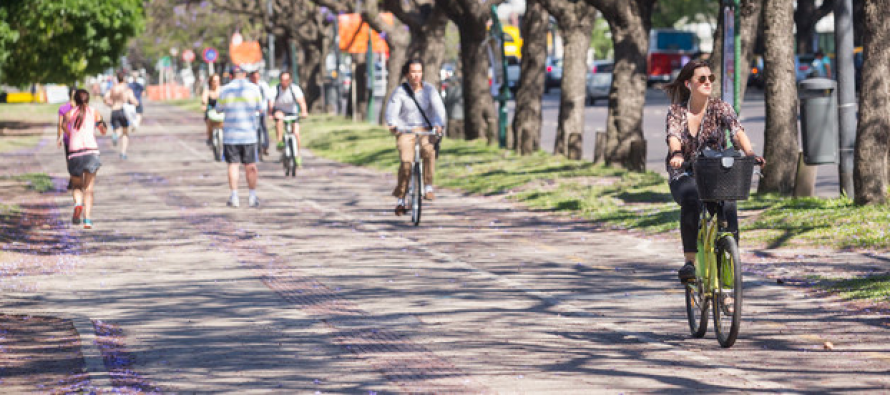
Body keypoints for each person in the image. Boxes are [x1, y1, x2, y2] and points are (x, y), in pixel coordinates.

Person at [662, 60, 765, 283]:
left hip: (715, 170)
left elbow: (736, 130)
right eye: (702, 79)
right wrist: (677, 154)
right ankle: (690, 262)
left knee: (728, 206)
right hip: (685, 172)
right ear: (689, 84)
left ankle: (729, 274)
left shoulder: (721, 108)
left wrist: (749, 153)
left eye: (711, 78)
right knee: (691, 198)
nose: (708, 82)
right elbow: (673, 136)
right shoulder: (677, 112)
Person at [384, 58, 446, 216]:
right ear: (407, 74)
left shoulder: (430, 90)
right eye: (413, 72)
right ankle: (401, 198)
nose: (416, 75)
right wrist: (393, 124)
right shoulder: (400, 92)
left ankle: (428, 186)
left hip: (426, 130)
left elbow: (439, 110)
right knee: (406, 163)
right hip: (406, 131)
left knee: (429, 152)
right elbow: (392, 111)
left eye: (419, 71)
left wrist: (438, 124)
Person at [216, 65, 264, 208]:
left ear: (230, 76)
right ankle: (252, 196)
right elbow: (260, 108)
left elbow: (218, 109)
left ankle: (234, 196)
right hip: (249, 134)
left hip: (231, 135)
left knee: (233, 165)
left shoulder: (225, 90)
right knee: (251, 165)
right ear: (245, 75)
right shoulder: (254, 89)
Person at [62, 89, 107, 229]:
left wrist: (71, 135)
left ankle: (78, 203)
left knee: (76, 186)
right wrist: (100, 126)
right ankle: (87, 219)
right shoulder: (94, 112)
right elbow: (103, 130)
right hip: (91, 152)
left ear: (75, 100)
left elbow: (64, 127)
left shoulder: (69, 113)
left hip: (75, 153)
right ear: (88, 99)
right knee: (89, 189)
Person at [271, 71, 309, 167]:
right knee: (279, 119)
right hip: (280, 111)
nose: (285, 82)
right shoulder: (275, 89)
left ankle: (297, 155)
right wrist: (271, 114)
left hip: (292, 112)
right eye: (283, 80)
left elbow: (301, 102)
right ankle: (279, 141)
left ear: (290, 80)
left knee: (296, 133)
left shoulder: (294, 89)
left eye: (287, 80)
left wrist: (304, 112)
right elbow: (271, 104)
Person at [103, 71, 139, 159]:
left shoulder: (113, 88)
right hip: (124, 111)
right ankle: (123, 153)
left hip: (114, 110)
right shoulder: (126, 89)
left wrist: (109, 104)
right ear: (124, 79)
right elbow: (132, 99)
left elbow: (105, 98)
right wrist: (136, 103)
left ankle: (116, 135)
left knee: (116, 130)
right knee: (125, 133)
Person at [248, 70, 273, 157]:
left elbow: (269, 98)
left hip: (262, 110)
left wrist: (270, 112)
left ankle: (265, 146)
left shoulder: (263, 85)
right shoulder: (248, 86)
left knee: (263, 127)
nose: (255, 78)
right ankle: (254, 147)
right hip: (251, 112)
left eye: (257, 76)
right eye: (253, 77)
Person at [202, 74, 223, 146]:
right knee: (208, 122)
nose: (216, 83)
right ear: (211, 82)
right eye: (214, 81)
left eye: (218, 81)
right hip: (211, 111)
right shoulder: (207, 91)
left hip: (221, 111)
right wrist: (204, 104)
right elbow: (204, 99)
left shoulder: (222, 90)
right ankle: (210, 137)